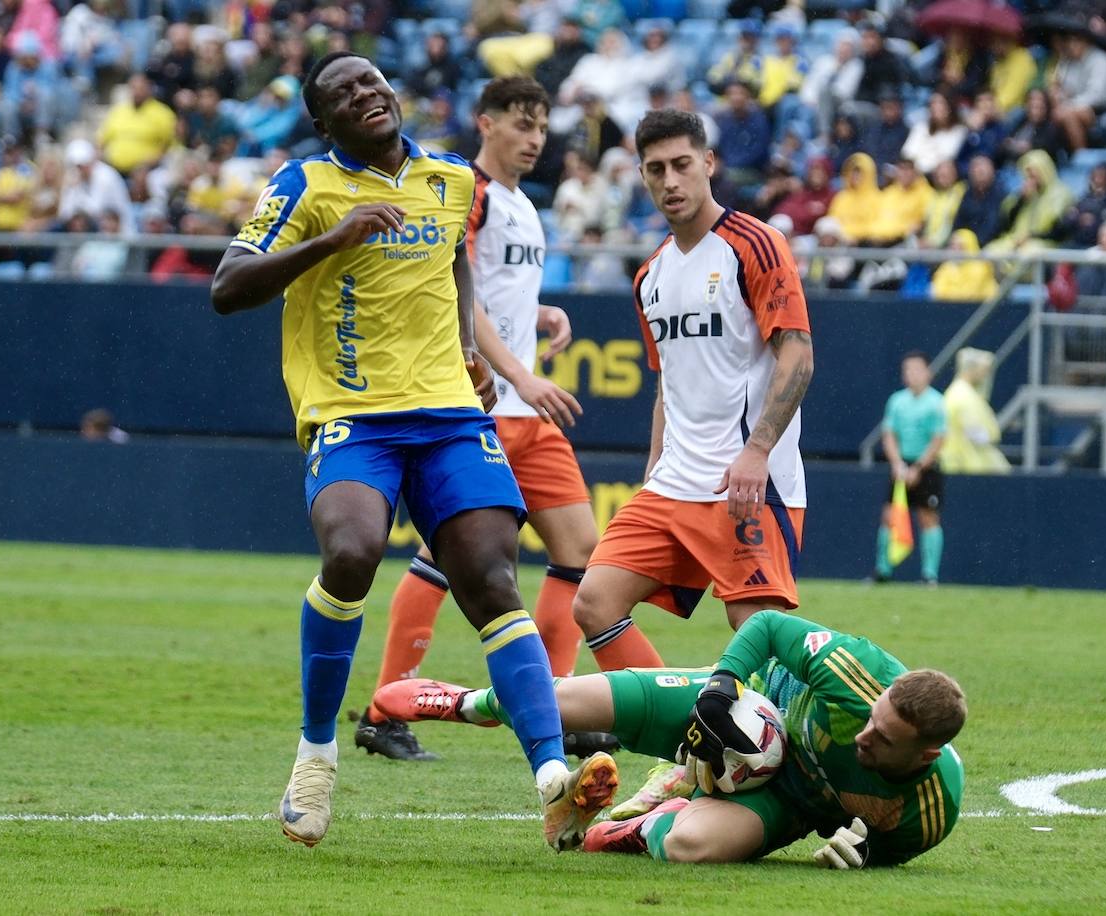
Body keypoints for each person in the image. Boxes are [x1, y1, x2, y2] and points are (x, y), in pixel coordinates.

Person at [208, 52, 616, 851]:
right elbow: (229, 285)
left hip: (449, 413)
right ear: (325, 123)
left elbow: (456, 263)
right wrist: (332, 240)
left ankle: (551, 779)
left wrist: (468, 341)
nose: (365, 95)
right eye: (342, 94)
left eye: (371, 82)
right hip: (352, 414)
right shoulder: (306, 184)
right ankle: (317, 753)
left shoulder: (451, 179)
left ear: (392, 95)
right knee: (354, 551)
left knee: (493, 578)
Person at [570, 108, 814, 815]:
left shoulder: (754, 244)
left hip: (745, 480)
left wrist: (758, 451)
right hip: (673, 483)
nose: (670, 181)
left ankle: (804, 774)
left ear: (709, 163)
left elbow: (797, 354)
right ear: (640, 175)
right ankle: (688, 749)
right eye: (655, 169)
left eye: (682, 164)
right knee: (595, 602)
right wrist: (653, 470)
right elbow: (666, 383)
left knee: (761, 640)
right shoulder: (649, 274)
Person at [351, 77, 601, 759]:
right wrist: (517, 371)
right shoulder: (470, 194)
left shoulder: (524, 204)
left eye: (543, 128)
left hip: (527, 410)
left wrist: (541, 315)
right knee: (449, 557)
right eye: (523, 124)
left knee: (580, 551)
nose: (535, 139)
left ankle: (555, 704)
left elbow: (497, 295)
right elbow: (453, 286)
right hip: (487, 406)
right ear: (485, 122)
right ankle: (384, 708)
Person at [374, 609, 967, 868]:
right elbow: (765, 624)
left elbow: (888, 852)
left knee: (692, 848)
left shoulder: (929, 809)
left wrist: (861, 858)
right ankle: (464, 703)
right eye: (871, 717)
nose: (866, 733)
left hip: (784, 800)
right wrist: (721, 686)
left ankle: (633, 820)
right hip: (744, 705)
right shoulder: (854, 672)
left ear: (925, 755)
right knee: (566, 701)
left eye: (883, 738)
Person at [874, 352, 945, 585]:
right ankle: (882, 571)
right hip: (901, 466)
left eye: (916, 369)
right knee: (890, 517)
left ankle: (929, 575)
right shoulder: (897, 401)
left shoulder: (936, 402)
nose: (911, 374)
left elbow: (938, 439)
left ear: (928, 373)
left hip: (926, 468)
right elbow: (889, 435)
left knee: (928, 517)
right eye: (907, 370)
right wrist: (897, 464)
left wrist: (918, 468)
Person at [939, 348, 1009, 474]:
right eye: (983, 371)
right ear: (972, 369)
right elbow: (976, 434)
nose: (985, 376)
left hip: (968, 467)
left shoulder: (963, 393)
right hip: (968, 467)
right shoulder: (963, 395)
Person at [930, 229, 997, 302]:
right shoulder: (947, 267)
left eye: (960, 246)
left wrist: (950, 295)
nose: (955, 250)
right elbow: (939, 292)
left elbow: (969, 296)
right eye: (953, 246)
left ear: (970, 246)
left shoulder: (980, 267)